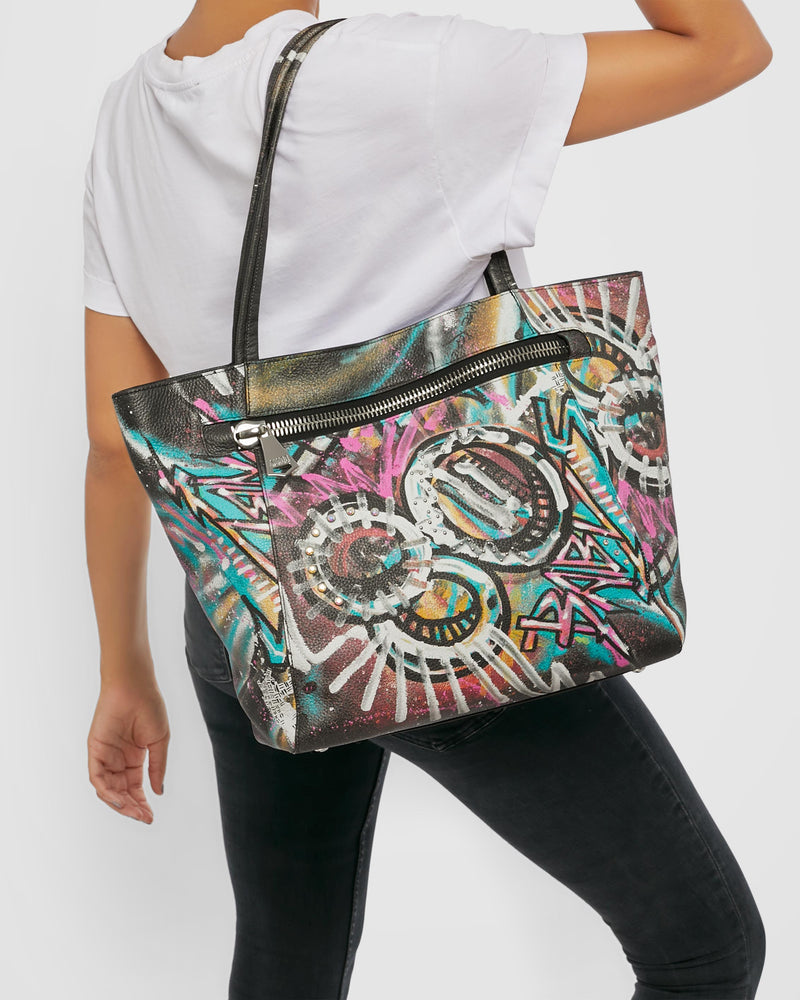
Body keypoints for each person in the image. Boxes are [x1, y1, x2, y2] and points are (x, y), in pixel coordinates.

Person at [82, 2, 772, 998]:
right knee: (704, 949)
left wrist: (123, 669)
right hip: (436, 602)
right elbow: (726, 46)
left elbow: (113, 442)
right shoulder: (401, 71)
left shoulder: (127, 115)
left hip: (244, 608)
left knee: (287, 957)